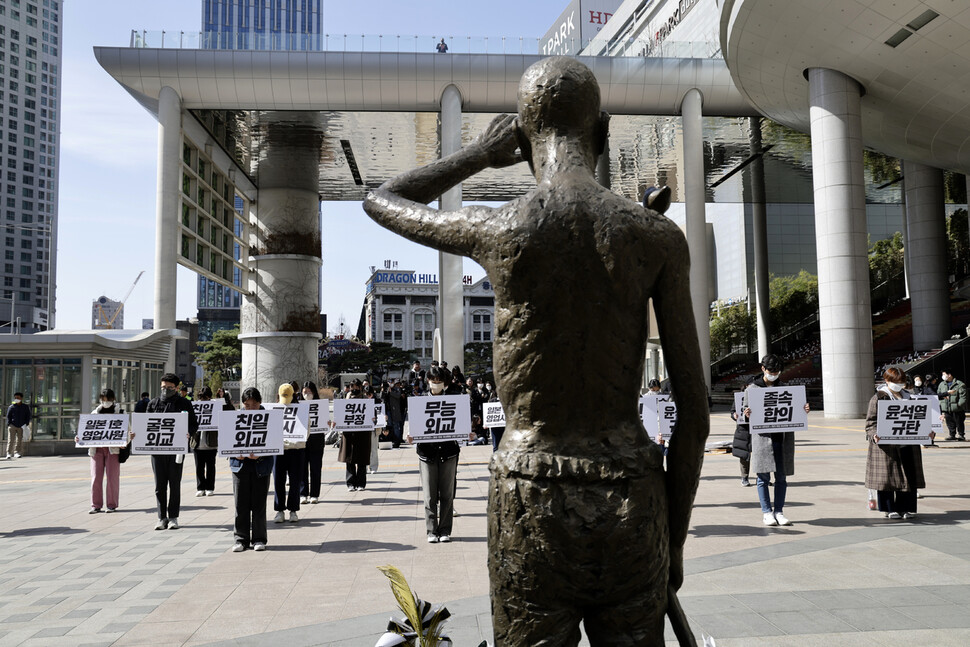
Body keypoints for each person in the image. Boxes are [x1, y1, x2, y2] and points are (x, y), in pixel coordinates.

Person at [741, 354, 810, 526]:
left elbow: (795, 411)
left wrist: (804, 409)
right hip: (763, 440)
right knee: (762, 477)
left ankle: (779, 511)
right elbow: (744, 414)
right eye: (771, 370)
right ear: (763, 369)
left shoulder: (785, 389)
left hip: (782, 439)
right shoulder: (752, 389)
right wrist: (746, 414)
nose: (774, 374)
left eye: (777, 371)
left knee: (781, 478)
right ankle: (766, 512)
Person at [407, 367, 472, 543]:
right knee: (429, 495)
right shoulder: (419, 402)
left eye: (439, 380)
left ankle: (444, 530)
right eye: (433, 380)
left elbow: (462, 427)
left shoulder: (455, 401)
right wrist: (411, 436)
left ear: (445, 382)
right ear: (427, 381)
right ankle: (431, 530)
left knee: (447, 494)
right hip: (427, 453)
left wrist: (467, 434)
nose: (436, 384)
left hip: (449, 452)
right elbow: (414, 427)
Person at [865, 367, 933, 519]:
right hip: (886, 446)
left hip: (907, 444)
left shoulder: (910, 397)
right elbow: (870, 422)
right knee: (887, 477)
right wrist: (874, 434)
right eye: (895, 381)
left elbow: (921, 419)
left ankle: (906, 508)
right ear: (887, 381)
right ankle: (889, 508)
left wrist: (930, 429)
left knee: (909, 475)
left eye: (901, 381)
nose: (899, 384)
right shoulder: (879, 398)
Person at [145, 373, 199, 530]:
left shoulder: (184, 403)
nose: (165, 390)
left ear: (176, 388)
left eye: (169, 388)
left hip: (177, 451)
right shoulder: (153, 404)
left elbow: (194, 424)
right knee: (159, 485)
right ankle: (161, 517)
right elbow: (145, 424)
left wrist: (189, 432)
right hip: (157, 450)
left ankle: (173, 516)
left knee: (174, 484)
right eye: (163, 387)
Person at [230, 387, 273, 552]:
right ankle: (241, 539)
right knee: (240, 504)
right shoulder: (236, 417)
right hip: (240, 466)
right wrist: (236, 454)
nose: (250, 408)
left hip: (261, 466)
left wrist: (261, 454)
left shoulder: (269, 418)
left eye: (253, 405)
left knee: (259, 504)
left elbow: (275, 443)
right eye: (247, 405)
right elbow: (228, 442)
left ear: (260, 402)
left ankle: (259, 539)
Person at [85, 389, 124, 513]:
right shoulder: (95, 413)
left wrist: (125, 441)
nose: (105, 402)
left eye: (108, 400)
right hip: (96, 449)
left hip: (113, 449)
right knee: (96, 476)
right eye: (103, 400)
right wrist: (80, 438)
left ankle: (111, 504)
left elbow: (127, 431)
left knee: (112, 477)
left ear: (113, 400)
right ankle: (95, 505)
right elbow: (87, 429)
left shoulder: (120, 413)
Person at [273, 383, 305, 523]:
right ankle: (279, 510)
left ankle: (293, 510)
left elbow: (306, 429)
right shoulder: (274, 409)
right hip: (278, 450)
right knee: (278, 481)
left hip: (296, 449)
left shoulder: (301, 410)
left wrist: (296, 440)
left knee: (295, 481)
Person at [338, 379, 371, 491]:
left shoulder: (366, 400)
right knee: (349, 458)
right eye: (352, 386)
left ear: (360, 387)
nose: (354, 389)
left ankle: (361, 483)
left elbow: (372, 415)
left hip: (363, 433)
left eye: (357, 386)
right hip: (349, 433)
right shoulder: (345, 400)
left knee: (362, 459)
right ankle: (350, 483)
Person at [300, 381, 325, 505]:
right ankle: (303, 493)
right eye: (304, 392)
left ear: (314, 392)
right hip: (302, 441)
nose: (307, 394)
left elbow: (326, 421)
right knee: (302, 469)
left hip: (317, 441)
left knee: (315, 469)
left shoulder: (321, 406)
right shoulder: (298, 406)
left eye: (309, 392)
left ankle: (314, 494)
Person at [193, 386, 218, 497]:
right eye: (201, 398)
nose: (202, 401)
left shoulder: (215, 408)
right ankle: (200, 487)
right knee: (199, 467)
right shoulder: (195, 407)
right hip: (197, 443)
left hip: (211, 443)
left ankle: (210, 487)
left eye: (205, 398)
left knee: (211, 467)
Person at [938, 368, 967, 441]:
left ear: (949, 375)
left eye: (944, 374)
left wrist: (958, 405)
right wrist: (941, 404)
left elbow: (963, 396)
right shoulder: (942, 384)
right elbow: (939, 394)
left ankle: (961, 435)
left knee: (959, 422)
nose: (943, 376)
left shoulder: (959, 384)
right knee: (949, 422)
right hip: (946, 408)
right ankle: (952, 435)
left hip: (957, 408)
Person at [6, 392, 30, 459]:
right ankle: (9, 453)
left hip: (21, 426)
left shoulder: (25, 407)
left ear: (21, 398)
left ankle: (17, 452)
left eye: (18, 398)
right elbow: (8, 416)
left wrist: (26, 424)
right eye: (15, 398)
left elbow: (28, 415)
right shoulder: (11, 406)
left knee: (19, 440)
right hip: (12, 425)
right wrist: (9, 424)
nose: (17, 399)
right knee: (10, 439)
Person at [385, 379, 406, 448]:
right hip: (388, 410)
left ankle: (397, 441)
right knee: (390, 426)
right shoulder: (387, 389)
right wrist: (385, 389)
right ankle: (392, 440)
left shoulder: (397, 389)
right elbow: (383, 397)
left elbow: (398, 395)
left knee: (396, 426)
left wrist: (391, 392)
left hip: (395, 411)